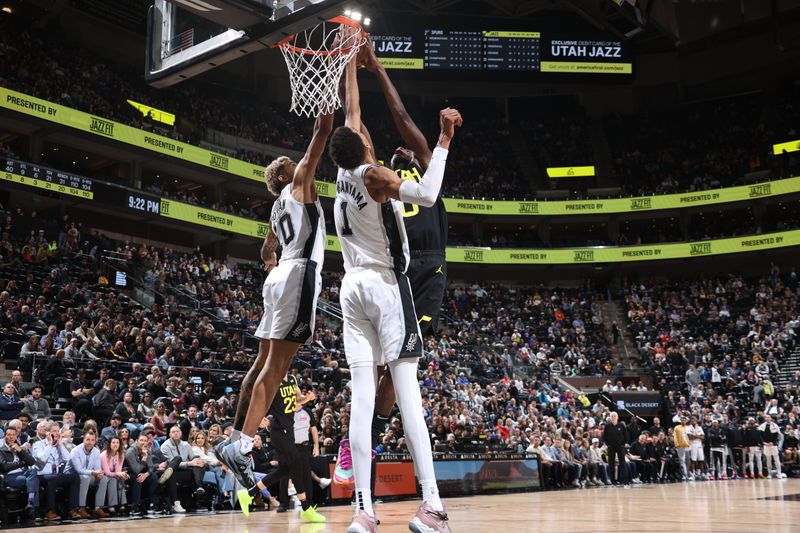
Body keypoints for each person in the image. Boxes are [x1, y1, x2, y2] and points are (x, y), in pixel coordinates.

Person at [329, 52, 460, 533]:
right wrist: (444, 141)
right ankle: (432, 507)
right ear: (364, 148)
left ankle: (362, 512)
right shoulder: (377, 177)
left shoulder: (342, 173)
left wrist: (349, 61)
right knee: (410, 399)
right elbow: (426, 195)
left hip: (350, 289)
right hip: (386, 286)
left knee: (362, 401)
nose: (367, 131)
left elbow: (352, 111)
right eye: (365, 135)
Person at [218, 111, 332, 527]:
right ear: (285, 177)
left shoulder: (274, 210)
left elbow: (266, 253)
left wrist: (274, 266)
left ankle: (235, 438)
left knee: (261, 365)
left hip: (279, 276)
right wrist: (328, 93)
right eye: (289, 165)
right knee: (277, 368)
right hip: (299, 272)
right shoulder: (299, 182)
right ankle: (242, 445)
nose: (294, 162)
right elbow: (321, 135)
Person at [356, 36, 451, 464]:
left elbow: (401, 115)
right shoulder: (384, 183)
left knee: (403, 361)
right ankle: (360, 435)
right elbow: (360, 136)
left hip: (428, 271)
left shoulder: (427, 169)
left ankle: (370, 436)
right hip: (399, 269)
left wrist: (377, 69)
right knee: (380, 363)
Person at [230, 372, 321, 519]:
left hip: (289, 428)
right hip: (278, 430)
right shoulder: (272, 379)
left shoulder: (292, 378)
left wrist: (307, 398)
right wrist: (259, 419)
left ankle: (249, 493)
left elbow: (298, 399)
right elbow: (258, 401)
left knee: (284, 469)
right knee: (296, 464)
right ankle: (306, 508)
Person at [32, 421, 78, 521]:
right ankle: (49, 511)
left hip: (55, 475)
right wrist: (49, 444)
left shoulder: (58, 446)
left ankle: (72, 509)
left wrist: (60, 444)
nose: (57, 433)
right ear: (48, 432)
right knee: (53, 478)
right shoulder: (38, 444)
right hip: (41, 475)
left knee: (75, 477)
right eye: (54, 431)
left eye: (58, 431)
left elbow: (67, 458)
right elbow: (42, 459)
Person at [160, 425, 205, 513]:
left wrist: (198, 461)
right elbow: (171, 463)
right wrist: (189, 463)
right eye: (173, 432)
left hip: (185, 471)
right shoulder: (165, 446)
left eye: (177, 431)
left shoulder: (186, 444)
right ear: (169, 434)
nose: (176, 433)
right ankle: (176, 504)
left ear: (181, 433)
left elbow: (192, 458)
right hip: (174, 471)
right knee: (171, 472)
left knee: (199, 464)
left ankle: (199, 488)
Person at [66, 431, 110, 518]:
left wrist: (99, 473)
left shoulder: (96, 451)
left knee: (103, 478)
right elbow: (79, 470)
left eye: (92, 440)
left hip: (88, 475)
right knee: (85, 478)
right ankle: (81, 508)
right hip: (73, 477)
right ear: (83, 440)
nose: (90, 442)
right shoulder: (75, 451)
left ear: (95, 441)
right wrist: (94, 472)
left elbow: (97, 468)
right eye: (88, 439)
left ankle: (98, 508)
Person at [0, 425, 39, 519]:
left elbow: (31, 461)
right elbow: (4, 467)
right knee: (34, 481)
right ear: (4, 436)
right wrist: (21, 463)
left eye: (13, 435)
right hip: (9, 477)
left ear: (16, 436)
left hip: (23, 474)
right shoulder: (1, 450)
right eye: (9, 435)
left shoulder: (18, 448)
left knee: (33, 471)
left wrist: (20, 450)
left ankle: (30, 503)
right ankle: (34, 511)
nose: (11, 437)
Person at [125, 432, 161, 516]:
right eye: (141, 440)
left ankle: (153, 504)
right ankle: (135, 506)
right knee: (137, 478)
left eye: (145, 440)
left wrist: (145, 475)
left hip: (143, 473)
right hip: (130, 474)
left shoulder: (147, 450)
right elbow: (136, 470)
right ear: (136, 441)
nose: (143, 442)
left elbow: (151, 467)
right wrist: (144, 458)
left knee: (154, 477)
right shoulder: (130, 452)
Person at [100, 436, 129, 513]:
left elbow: (118, 470)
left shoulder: (121, 454)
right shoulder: (104, 455)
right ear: (109, 444)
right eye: (113, 442)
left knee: (120, 478)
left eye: (117, 443)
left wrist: (123, 474)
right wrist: (119, 473)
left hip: (113, 475)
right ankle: (111, 506)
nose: (115, 444)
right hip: (103, 476)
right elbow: (107, 472)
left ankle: (123, 504)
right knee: (112, 480)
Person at [603, 412, 628, 485]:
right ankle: (613, 481)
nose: (613, 417)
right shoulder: (607, 426)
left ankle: (625, 481)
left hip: (620, 447)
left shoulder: (621, 425)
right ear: (610, 418)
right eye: (612, 416)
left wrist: (623, 444)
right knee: (611, 464)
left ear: (617, 417)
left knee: (623, 463)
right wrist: (608, 445)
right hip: (611, 447)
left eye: (615, 416)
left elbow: (625, 436)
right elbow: (604, 437)